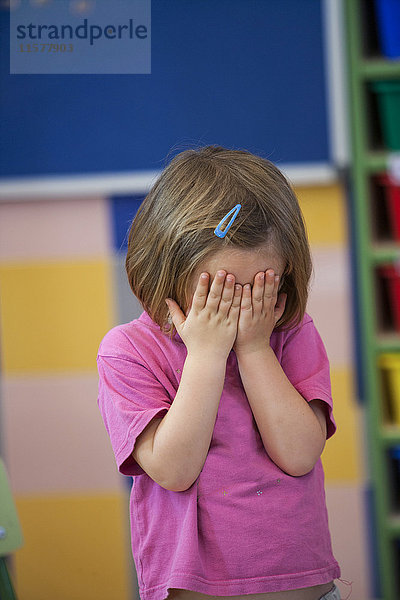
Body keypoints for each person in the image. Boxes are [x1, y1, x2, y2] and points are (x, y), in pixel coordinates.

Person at [97, 145, 342, 600]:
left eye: (259, 288)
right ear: (167, 269)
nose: (241, 307)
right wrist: (207, 357)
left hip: (306, 588)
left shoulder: (287, 332)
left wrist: (253, 349)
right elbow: (173, 469)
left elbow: (299, 454)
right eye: (222, 290)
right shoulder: (128, 350)